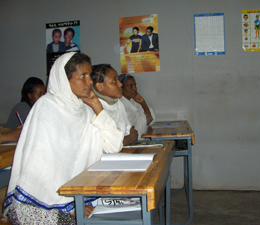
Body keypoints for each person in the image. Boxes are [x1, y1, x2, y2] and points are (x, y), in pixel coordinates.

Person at [2, 52, 123, 224]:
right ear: (64, 79)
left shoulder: (84, 110)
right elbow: (43, 170)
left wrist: (97, 105)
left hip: (76, 198)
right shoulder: (47, 107)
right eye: (83, 75)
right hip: (39, 204)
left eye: (89, 75)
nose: (89, 81)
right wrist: (73, 205)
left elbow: (113, 145)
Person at [91, 64, 138, 146]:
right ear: (99, 86)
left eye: (118, 80)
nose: (120, 84)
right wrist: (130, 137)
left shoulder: (118, 103)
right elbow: (109, 145)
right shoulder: (94, 108)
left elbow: (130, 129)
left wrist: (128, 137)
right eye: (114, 81)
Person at [119, 73, 155, 139]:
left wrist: (143, 103)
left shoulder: (134, 101)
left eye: (135, 85)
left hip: (141, 139)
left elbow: (149, 120)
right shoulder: (120, 104)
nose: (135, 89)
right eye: (130, 86)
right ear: (121, 88)